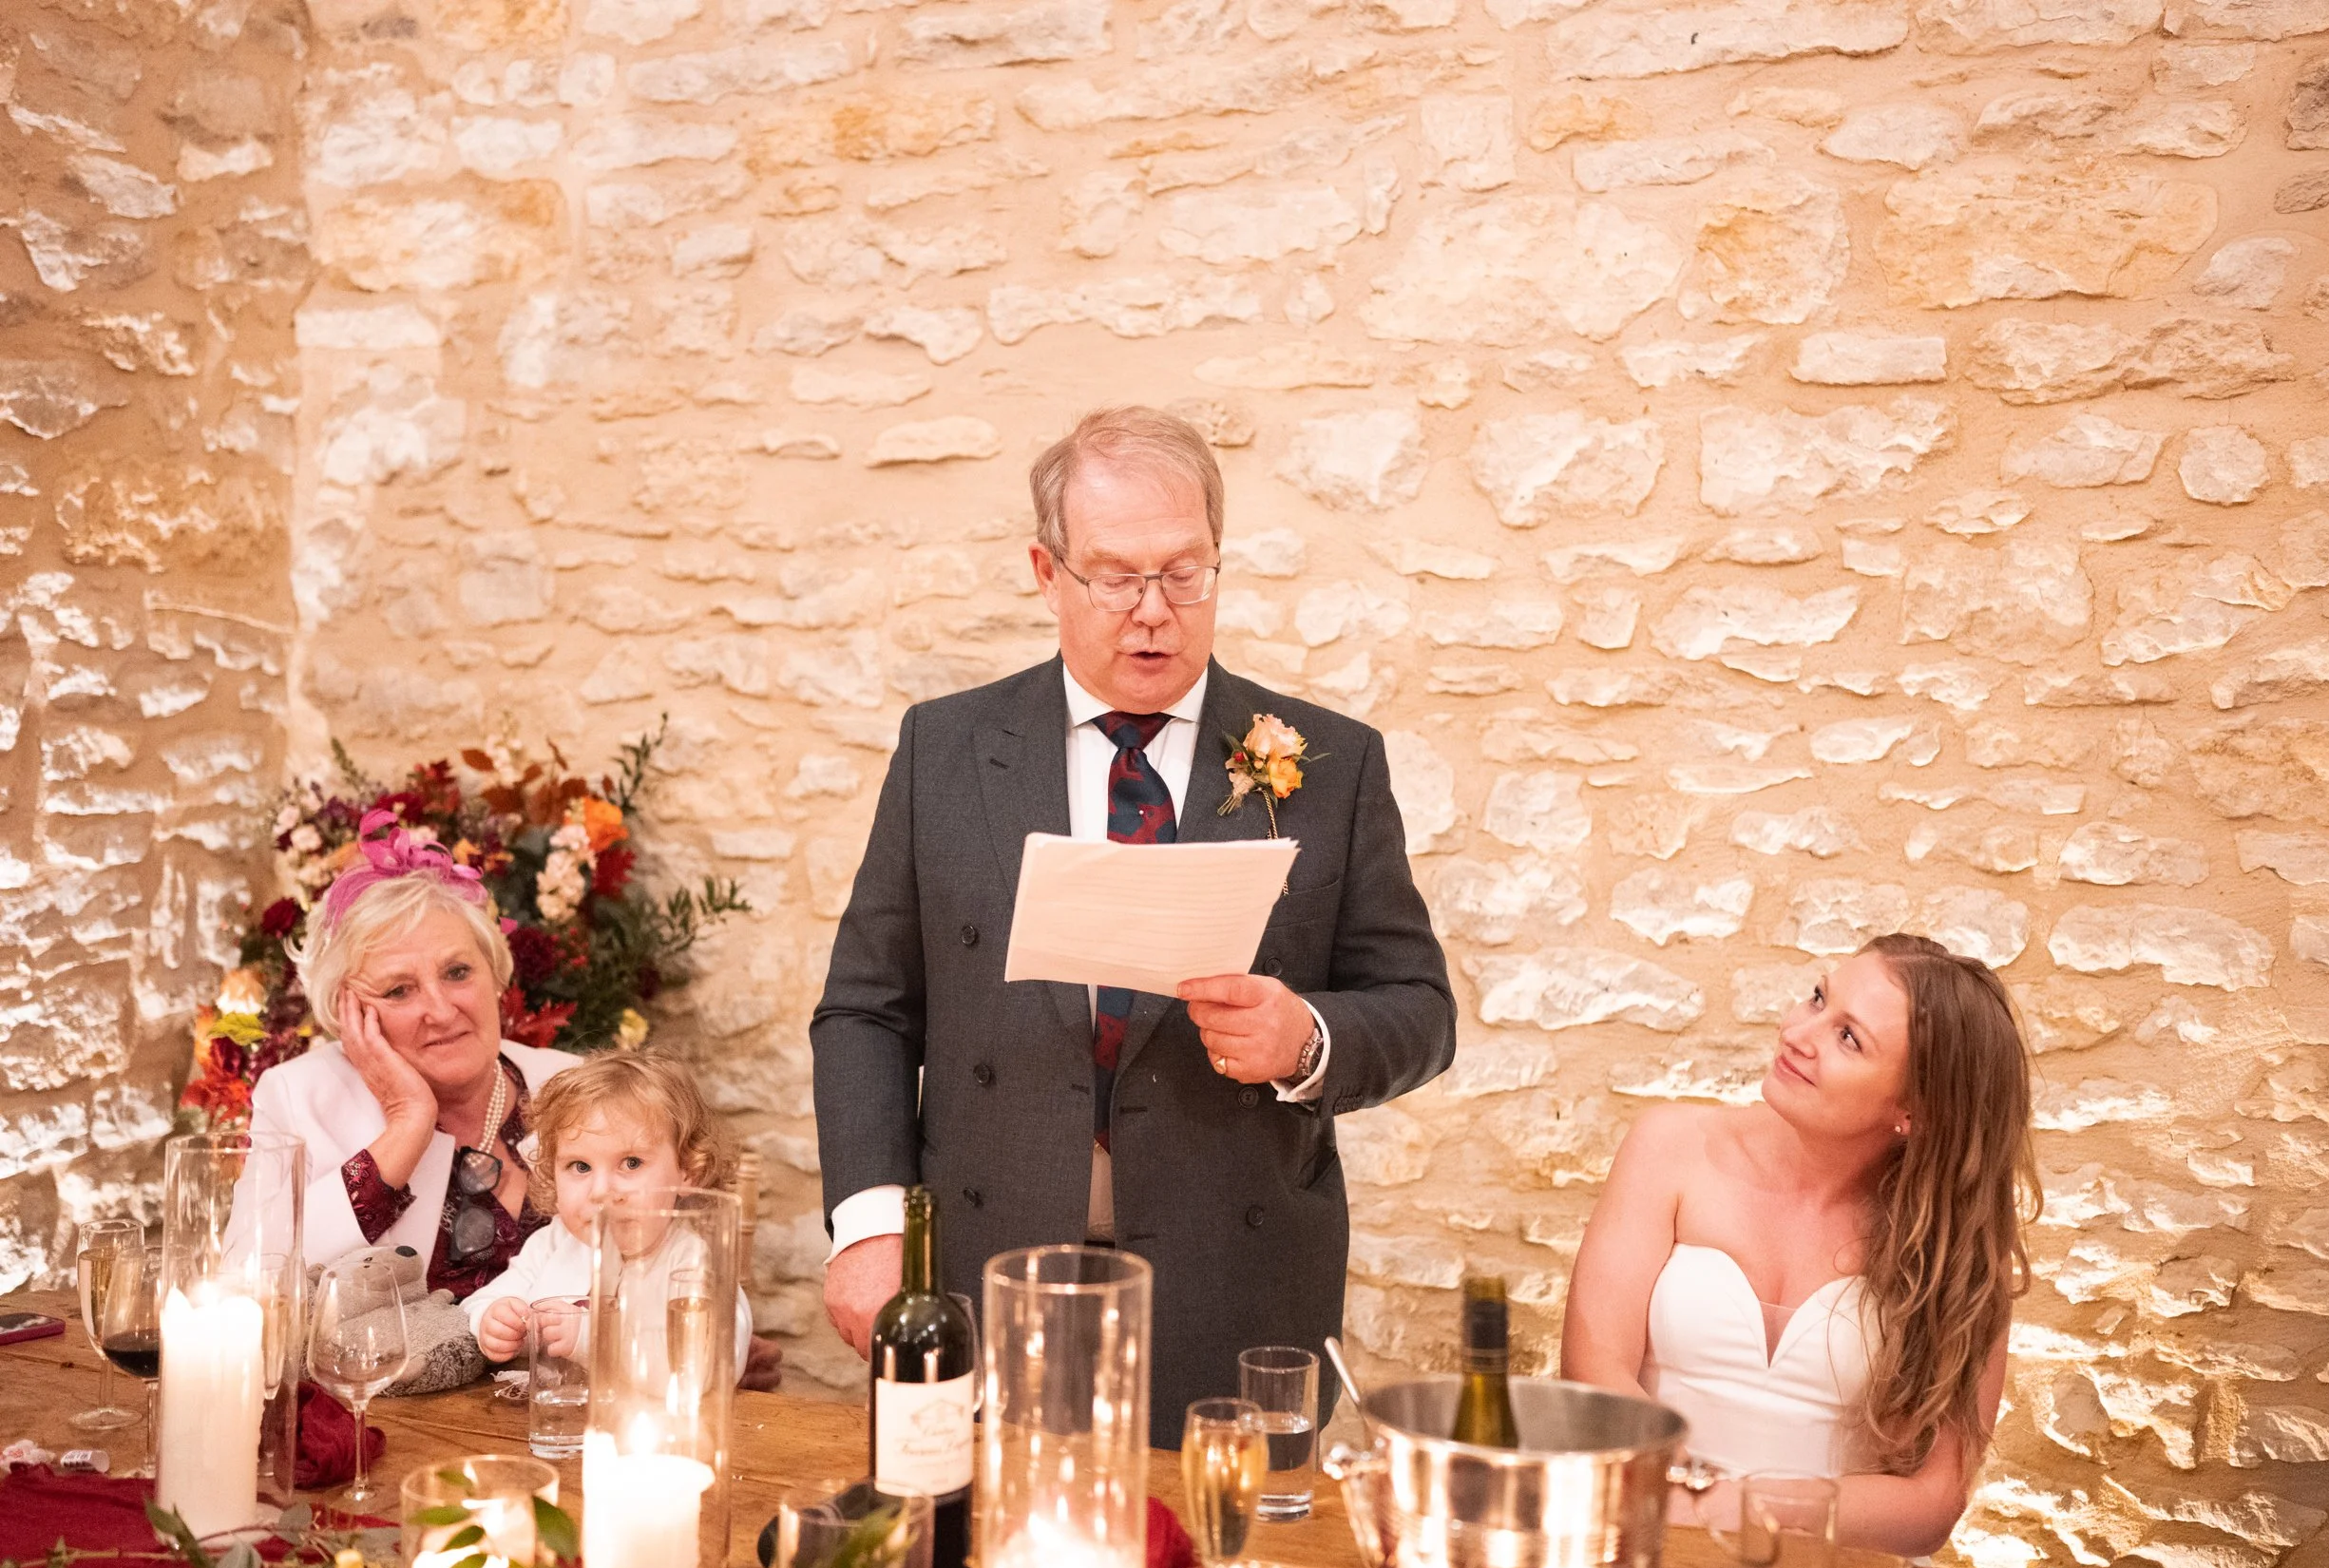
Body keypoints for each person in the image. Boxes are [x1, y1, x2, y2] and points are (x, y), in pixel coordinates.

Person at [812, 406, 1457, 1444]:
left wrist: (1306, 1038)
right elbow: (865, 1011)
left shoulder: (1331, 763)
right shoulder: (944, 750)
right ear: (1046, 569)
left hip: (1232, 1285)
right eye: (1116, 577)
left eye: (1184, 572)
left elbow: (1420, 1010)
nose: (1153, 611)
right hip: (989, 1264)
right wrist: (872, 1225)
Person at [246, 811, 783, 1388]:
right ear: (348, 1012)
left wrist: (672, 1347)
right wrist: (408, 1123)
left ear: (495, 974)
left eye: (457, 972)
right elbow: (248, 1289)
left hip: (577, 1412)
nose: (441, 1008)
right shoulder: (300, 1097)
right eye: (399, 989)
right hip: (395, 1423)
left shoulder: (576, 1086)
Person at [1558, 934, 2037, 1558]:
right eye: (1817, 998)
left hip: (1830, 1567)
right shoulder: (1668, 1146)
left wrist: (1745, 1507)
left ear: (1913, 1109)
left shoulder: (1959, 1245)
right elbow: (1591, 1376)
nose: (1797, 1032)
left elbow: (1936, 1499)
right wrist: (1681, 1519)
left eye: (1848, 1037)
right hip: (1640, 1540)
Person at [463, 1049, 754, 1377]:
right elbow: (476, 1304)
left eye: (631, 1163)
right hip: (545, 1423)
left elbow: (710, 1363)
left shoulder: (692, 1262)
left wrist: (589, 1339)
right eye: (580, 1166)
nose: (601, 1191)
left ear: (687, 1171)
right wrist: (492, 1320)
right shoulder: (553, 1244)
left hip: (650, 1426)